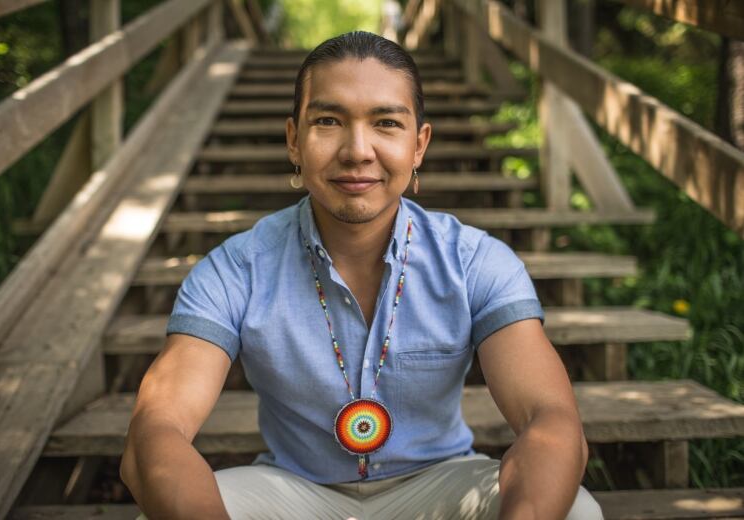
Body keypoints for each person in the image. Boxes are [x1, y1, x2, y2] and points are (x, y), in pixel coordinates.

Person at [120, 31, 604, 519]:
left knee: (576, 513)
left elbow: (551, 420)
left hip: (438, 483)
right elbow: (157, 430)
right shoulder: (234, 270)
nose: (357, 150)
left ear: (419, 145)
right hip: (293, 490)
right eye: (328, 120)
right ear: (294, 140)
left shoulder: (476, 261)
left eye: (386, 123)